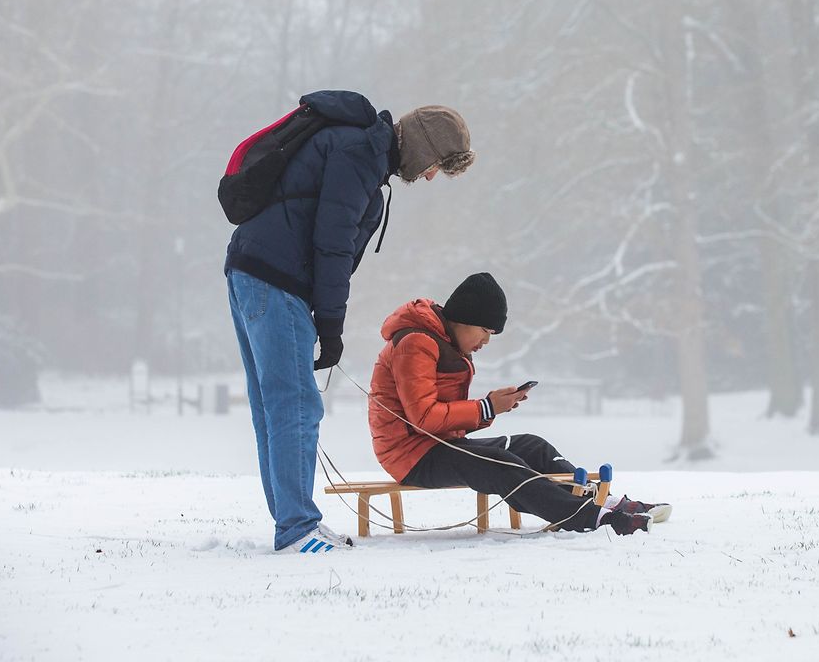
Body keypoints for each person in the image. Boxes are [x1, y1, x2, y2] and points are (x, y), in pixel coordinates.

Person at [226, 90, 474, 553]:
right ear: (422, 145)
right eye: (437, 163)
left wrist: (325, 319)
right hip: (276, 280)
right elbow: (333, 242)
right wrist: (332, 324)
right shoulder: (360, 152)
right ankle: (297, 530)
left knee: (277, 404)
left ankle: (291, 523)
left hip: (253, 271)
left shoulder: (361, 152)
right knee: (297, 404)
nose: (430, 175)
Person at [369, 272, 669, 536]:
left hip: (438, 444)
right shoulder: (416, 343)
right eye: (485, 331)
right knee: (503, 464)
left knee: (531, 446)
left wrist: (492, 408)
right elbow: (422, 416)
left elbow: (437, 416)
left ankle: (604, 500)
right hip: (411, 455)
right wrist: (486, 408)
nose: (486, 341)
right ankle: (593, 517)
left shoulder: (442, 341)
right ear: (464, 318)